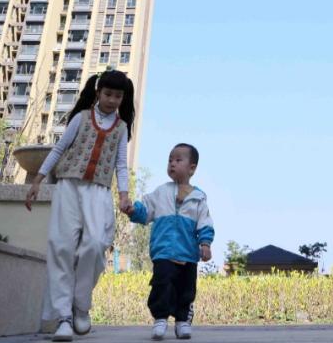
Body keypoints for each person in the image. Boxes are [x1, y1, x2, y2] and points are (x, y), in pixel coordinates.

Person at [26, 69, 135, 341]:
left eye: (118, 96)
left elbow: (121, 164)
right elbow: (59, 148)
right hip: (68, 186)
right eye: (108, 94)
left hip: (98, 191)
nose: (112, 100)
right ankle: (64, 316)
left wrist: (123, 194)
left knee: (97, 243)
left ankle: (81, 305)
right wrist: (38, 180)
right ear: (98, 93)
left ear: (123, 98)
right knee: (61, 245)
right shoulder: (81, 118)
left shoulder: (121, 129)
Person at [126, 142, 214, 341]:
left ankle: (182, 322)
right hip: (163, 251)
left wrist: (205, 244)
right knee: (162, 284)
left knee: (187, 288)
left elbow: (205, 222)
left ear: (192, 168)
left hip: (188, 254)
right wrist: (134, 211)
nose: (172, 163)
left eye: (178, 160)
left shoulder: (199, 198)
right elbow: (145, 211)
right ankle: (160, 319)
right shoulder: (161, 192)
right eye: (170, 160)